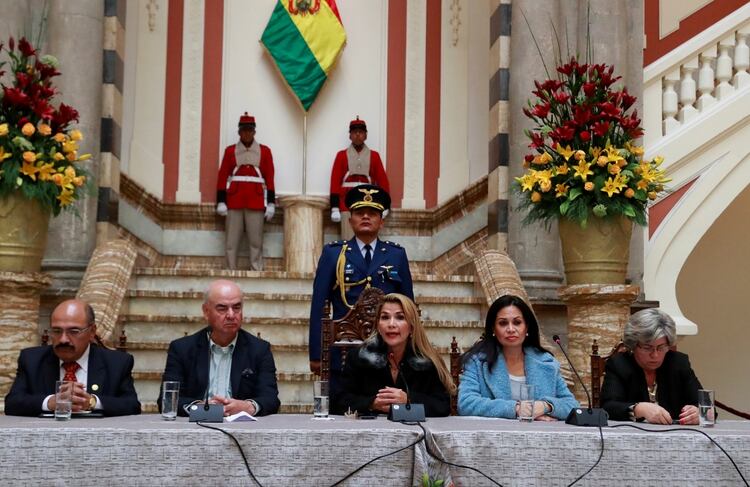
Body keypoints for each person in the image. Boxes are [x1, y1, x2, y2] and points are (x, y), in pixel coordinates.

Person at [309, 184, 414, 379]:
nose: (366, 217)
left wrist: (410, 350)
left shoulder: (396, 255)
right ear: (350, 220)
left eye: (372, 213)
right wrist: (317, 353)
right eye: (360, 212)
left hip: (387, 348)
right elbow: (319, 306)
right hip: (344, 350)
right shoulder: (334, 254)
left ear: (381, 221)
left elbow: (408, 307)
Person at [160, 279, 280, 417]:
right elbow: (167, 401)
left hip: (242, 428)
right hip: (198, 426)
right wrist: (201, 408)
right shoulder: (182, 349)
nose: (231, 315)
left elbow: (271, 399)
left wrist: (248, 406)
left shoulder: (259, 349)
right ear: (206, 311)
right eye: (222, 308)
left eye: (236, 307)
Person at [4, 299, 141, 417]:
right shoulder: (31, 360)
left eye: (73, 331)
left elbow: (132, 405)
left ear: (92, 332)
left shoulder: (117, 363)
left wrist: (92, 402)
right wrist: (50, 402)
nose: (63, 339)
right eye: (57, 331)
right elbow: (13, 403)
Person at [458, 295, 578, 420]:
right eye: (503, 323)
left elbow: (572, 405)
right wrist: (516, 409)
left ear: (526, 327)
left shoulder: (546, 362)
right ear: (493, 328)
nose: (511, 329)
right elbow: (466, 403)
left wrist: (545, 406)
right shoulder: (477, 362)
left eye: (517, 322)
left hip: (539, 435)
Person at [334, 293, 453, 416]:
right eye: (385, 317)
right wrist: (372, 403)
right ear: (378, 326)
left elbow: (442, 406)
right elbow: (338, 401)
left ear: (412, 327)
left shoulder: (427, 360)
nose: (391, 324)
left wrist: (408, 399)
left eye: (400, 317)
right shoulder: (358, 357)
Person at [600, 308, 703, 425]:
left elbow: (706, 405)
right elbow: (608, 407)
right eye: (647, 348)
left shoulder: (679, 363)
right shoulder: (619, 364)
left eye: (661, 347)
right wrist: (638, 409)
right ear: (633, 345)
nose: (655, 355)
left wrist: (699, 413)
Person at [216, 113, 275, 271]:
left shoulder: (265, 151)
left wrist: (270, 203)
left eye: (250, 130)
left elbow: (269, 177)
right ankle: (230, 269)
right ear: (239, 132)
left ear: (254, 132)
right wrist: (221, 201)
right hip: (234, 201)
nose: (247, 133)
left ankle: (256, 269)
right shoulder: (230, 151)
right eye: (244, 130)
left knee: (256, 241)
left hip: (256, 201)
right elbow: (222, 176)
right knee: (231, 241)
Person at [329, 117, 390, 238]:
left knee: (368, 238)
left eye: (361, 132)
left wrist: (385, 205)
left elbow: (383, 181)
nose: (357, 135)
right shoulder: (341, 155)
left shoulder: (375, 156)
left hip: (369, 201)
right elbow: (335, 180)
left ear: (366, 135)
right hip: (347, 203)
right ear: (350, 136)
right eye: (354, 132)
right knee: (348, 240)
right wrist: (334, 207)